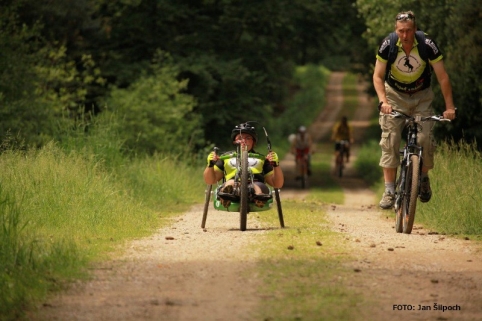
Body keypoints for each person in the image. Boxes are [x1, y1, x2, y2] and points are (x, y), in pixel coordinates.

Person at [373, 11, 456, 209]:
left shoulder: (427, 44)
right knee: (391, 138)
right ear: (396, 30)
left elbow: (442, 77)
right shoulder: (388, 45)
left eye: (408, 30)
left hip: (422, 96)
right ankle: (390, 190)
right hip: (394, 96)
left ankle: (423, 177)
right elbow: (378, 76)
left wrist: (449, 107)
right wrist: (383, 101)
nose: (404, 35)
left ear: (415, 29)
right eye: (401, 31)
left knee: (425, 139)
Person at [203, 123, 284, 208]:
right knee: (231, 183)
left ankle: (259, 197)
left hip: (256, 187)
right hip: (233, 188)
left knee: (256, 187)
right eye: (240, 138)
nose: (243, 141)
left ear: (253, 142)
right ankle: (226, 195)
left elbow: (277, 184)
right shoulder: (225, 158)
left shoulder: (262, 159)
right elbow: (210, 181)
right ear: (235, 141)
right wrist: (210, 165)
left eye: (248, 138)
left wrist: (276, 165)